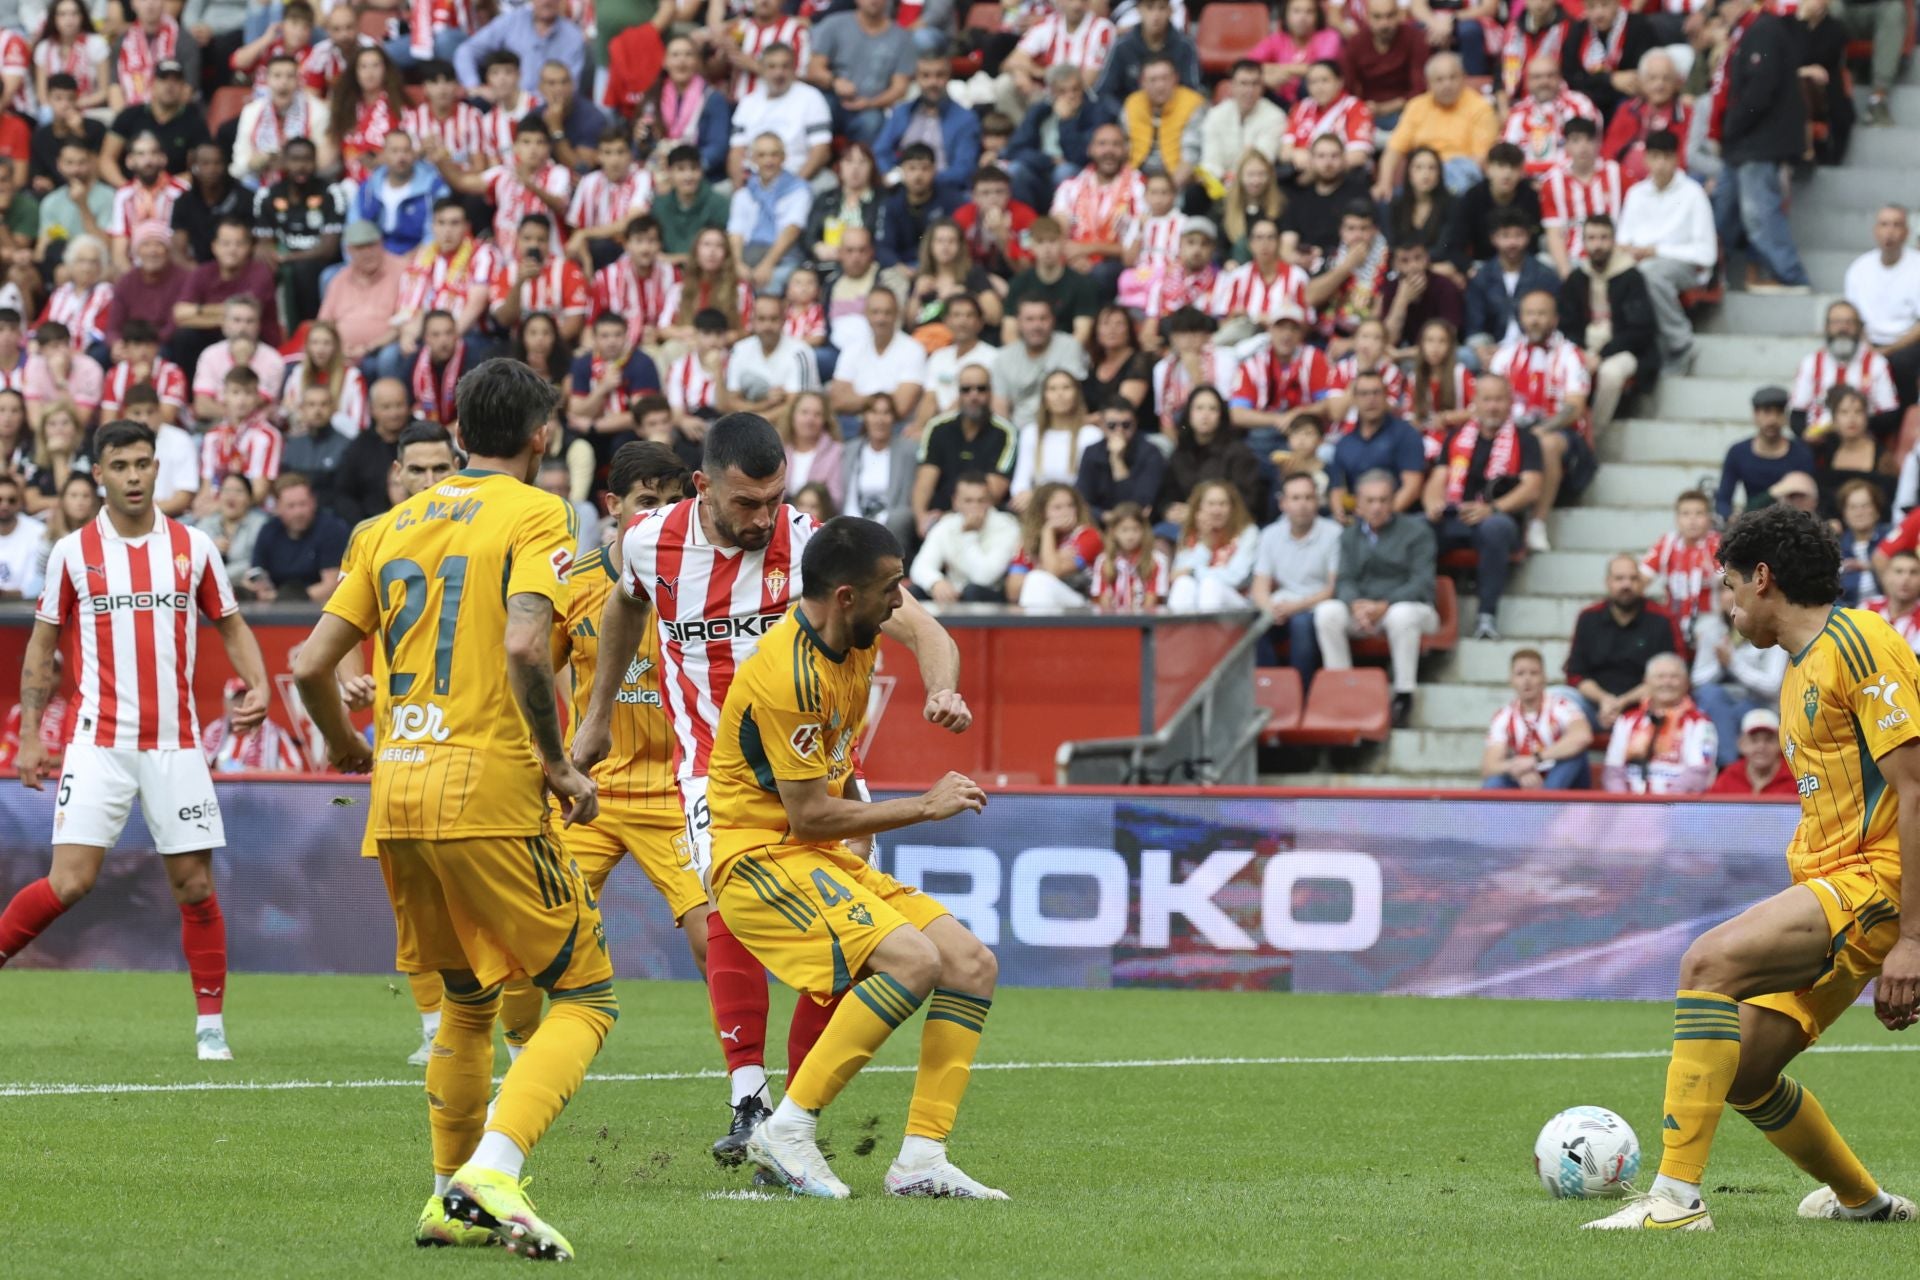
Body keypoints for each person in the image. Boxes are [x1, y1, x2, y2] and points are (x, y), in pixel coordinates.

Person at [571, 412, 970, 1173]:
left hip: (821, 769)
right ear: (703, 486)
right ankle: (750, 1096)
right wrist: (596, 717)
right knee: (729, 907)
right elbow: (623, 604)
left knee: (847, 942)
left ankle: (794, 1116)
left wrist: (941, 689)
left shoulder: (811, 545)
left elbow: (922, 627)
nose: (764, 519)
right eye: (746, 504)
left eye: (773, 500)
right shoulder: (652, 541)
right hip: (714, 773)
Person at [292, 359, 613, 1259]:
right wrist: (556, 763)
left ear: (459, 432)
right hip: (489, 789)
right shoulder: (539, 510)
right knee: (585, 995)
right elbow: (522, 642)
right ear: (542, 437)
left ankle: (444, 1196)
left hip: (397, 793)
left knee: (468, 1001)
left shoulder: (384, 527)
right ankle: (496, 1167)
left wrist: (342, 746)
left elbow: (311, 665)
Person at [1587, 502, 1920, 1230]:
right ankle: (1865, 1203)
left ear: (1763, 578)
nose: (1727, 605)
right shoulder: (1802, 670)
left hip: (1874, 883)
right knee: (1744, 1072)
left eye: (1730, 586)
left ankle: (1674, 1203)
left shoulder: (1861, 642)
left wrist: (1913, 940)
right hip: (1835, 886)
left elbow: (1916, 787)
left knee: (1708, 964)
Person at [684, 511, 997, 1199]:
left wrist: (942, 689)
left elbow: (933, 635)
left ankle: (920, 1161)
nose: (901, 601)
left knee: (971, 963)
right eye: (892, 589)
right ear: (848, 596)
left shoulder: (857, 625)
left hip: (813, 855)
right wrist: (925, 804)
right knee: (913, 960)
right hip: (760, 859)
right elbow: (811, 814)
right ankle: (786, 1129)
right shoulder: (789, 675)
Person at [2, 420, 268, 1065]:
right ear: (99, 473)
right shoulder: (70, 552)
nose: (132, 477)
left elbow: (229, 623)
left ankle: (210, 1027)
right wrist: (32, 735)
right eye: (119, 466)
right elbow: (42, 646)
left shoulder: (193, 545)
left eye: (143, 464)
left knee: (194, 886)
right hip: (98, 744)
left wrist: (259, 684)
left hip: (175, 745)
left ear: (157, 470)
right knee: (69, 883)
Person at [550, 441, 709, 984]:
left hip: (678, 794)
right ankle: (524, 1053)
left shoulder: (710, 583)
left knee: (717, 939)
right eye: (647, 501)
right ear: (612, 504)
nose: (660, 515)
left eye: (674, 501)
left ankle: (747, 1069)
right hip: (589, 789)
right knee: (540, 929)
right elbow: (525, 680)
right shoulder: (572, 583)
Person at [1313, 468, 1437, 725]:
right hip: (1365, 611)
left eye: (1383, 500)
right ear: (1358, 504)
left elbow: (1421, 583)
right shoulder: (1348, 536)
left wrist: (1385, 604)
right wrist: (1355, 605)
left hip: (1412, 608)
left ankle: (1404, 694)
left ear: (1393, 502)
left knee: (1402, 615)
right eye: (1370, 501)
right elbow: (1344, 579)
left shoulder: (1417, 531)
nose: (1377, 507)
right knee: (1327, 612)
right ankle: (1342, 688)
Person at [1424, 373, 1540, 641]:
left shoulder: (1525, 439)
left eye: (1499, 400)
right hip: (1455, 515)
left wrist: (1494, 508)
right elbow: (1438, 478)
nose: (1493, 406)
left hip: (1498, 519)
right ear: (1474, 403)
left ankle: (1486, 616)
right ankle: (1422, 607)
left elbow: (1532, 486)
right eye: (1487, 399)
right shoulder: (1455, 437)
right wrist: (1432, 503)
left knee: (1494, 529)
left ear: (1510, 403)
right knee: (1418, 528)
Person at [1710, 0, 1811, 295]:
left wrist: (1733, 125)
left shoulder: (1763, 30)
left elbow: (1761, 88)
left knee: (1758, 214)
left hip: (1760, 142)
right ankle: (1714, 273)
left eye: (1725, 4)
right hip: (1742, 144)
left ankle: (1791, 277)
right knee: (1723, 213)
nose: (1721, 12)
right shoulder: (1747, 33)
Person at [1489, 288, 1592, 549]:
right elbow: (1487, 398)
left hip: (1561, 434)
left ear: (1555, 319)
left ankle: (1537, 523)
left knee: (1544, 443)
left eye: (1542, 314)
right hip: (1511, 428)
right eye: (1530, 314)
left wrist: (1537, 432)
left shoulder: (1570, 354)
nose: (1535, 320)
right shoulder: (1504, 355)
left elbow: (1574, 407)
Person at [1614, 130, 1715, 369]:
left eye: (1666, 157)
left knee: (1650, 274)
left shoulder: (1693, 193)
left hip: (1685, 265)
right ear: (1646, 159)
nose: (1660, 164)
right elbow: (1623, 239)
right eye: (1654, 156)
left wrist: (1657, 251)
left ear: (1676, 159)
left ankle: (1680, 341)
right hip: (1639, 260)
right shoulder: (1636, 193)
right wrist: (1634, 251)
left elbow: (1706, 253)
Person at [1563, 552, 1682, 733]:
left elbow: (1674, 675)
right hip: (1594, 707)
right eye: (1619, 579)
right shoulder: (1588, 618)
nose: (1626, 585)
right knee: (1557, 697)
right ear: (1608, 582)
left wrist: (1622, 702)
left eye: (1633, 579)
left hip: (1645, 707)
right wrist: (1605, 700)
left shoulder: (1662, 620)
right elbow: (1575, 675)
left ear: (1641, 583)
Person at [1251, 471, 1340, 683]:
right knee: (1255, 619)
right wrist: (1269, 609)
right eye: (1296, 498)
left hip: (1317, 604)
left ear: (1317, 501)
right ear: (1283, 503)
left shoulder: (1334, 533)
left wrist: (1296, 607)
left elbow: (1332, 588)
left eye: (1309, 497)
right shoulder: (1270, 534)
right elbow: (1259, 586)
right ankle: (1269, 688)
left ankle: (1302, 691)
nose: (1303, 504)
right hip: (1283, 603)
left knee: (1301, 623)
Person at [1690, 581, 1788, 766]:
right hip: (1723, 706)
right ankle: (1727, 768)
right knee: (1710, 694)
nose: (1733, 597)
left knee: (1740, 707)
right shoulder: (1712, 629)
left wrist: (1733, 663)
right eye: (1727, 590)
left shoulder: (1773, 630)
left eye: (1739, 590)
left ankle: (1728, 767)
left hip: (1761, 705)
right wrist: (1721, 665)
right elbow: (1697, 680)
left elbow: (1773, 686)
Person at [1375, 52, 1498, 200]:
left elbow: (1480, 160)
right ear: (1428, 84)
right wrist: (1384, 183)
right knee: (1386, 202)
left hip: (1461, 182)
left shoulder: (1480, 108)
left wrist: (1440, 177)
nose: (1447, 84)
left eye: (1453, 77)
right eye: (1439, 80)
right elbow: (1394, 149)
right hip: (1422, 179)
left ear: (1464, 78)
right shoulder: (1416, 106)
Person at [1598, 651, 1717, 794]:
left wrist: (1662, 809)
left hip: (1677, 810)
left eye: (1674, 677)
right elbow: (1613, 772)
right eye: (1660, 677)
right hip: (1628, 810)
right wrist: (1625, 805)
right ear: (1646, 683)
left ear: (1686, 683)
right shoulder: (1627, 720)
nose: (1667, 682)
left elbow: (1697, 775)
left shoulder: (1700, 722)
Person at [806, 0, 918, 147]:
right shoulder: (834, 24)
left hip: (872, 107)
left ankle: (862, 167)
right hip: (833, 97)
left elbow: (899, 88)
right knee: (817, 107)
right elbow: (813, 69)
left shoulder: (902, 38)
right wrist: (835, 81)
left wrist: (870, 103)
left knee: (872, 122)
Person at [1842, 205, 1920, 412]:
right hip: (1866, 340)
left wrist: (1889, 350)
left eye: (1897, 225)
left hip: (1907, 343)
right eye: (1884, 224)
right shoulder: (1859, 268)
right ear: (1875, 230)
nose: (1890, 231)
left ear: (1906, 232)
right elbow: (1852, 316)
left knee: (1902, 364)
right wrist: (1868, 346)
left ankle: (1901, 419)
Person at [916, 373, 1018, 530]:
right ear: (958, 394)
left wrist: (950, 518)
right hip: (937, 515)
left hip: (985, 513)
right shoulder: (937, 427)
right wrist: (921, 517)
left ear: (991, 392)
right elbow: (924, 483)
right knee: (902, 522)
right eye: (966, 389)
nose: (974, 395)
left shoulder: (1005, 431)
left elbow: (993, 491)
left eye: (981, 389)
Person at [1482, 647, 1593, 790]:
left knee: (1575, 755)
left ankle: (1542, 805)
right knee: (1494, 782)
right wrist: (1519, 769)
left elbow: (1583, 736)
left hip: (1562, 778)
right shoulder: (1503, 715)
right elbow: (1489, 765)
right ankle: (1540, 806)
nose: (1527, 680)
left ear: (1544, 678)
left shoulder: (1562, 705)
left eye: (1533, 673)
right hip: (1524, 778)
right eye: (1520, 674)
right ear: (1511, 680)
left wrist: (1535, 760)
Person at [1792, 300, 1900, 442]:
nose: (1843, 328)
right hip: (1818, 445)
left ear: (1860, 328)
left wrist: (1852, 428)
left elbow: (1890, 414)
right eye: (1836, 322)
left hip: (1863, 443)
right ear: (1826, 327)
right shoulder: (1810, 363)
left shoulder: (1877, 363)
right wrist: (1808, 434)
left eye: (1850, 322)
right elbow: (1797, 414)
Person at [1160, 385, 1264, 528]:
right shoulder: (1180, 453)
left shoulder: (1239, 453)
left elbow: (1248, 502)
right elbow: (1168, 494)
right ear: (1189, 414)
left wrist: (1197, 514)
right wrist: (1168, 510)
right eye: (1199, 408)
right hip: (1185, 525)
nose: (1205, 415)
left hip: (1229, 527)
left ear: (1221, 415)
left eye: (1212, 409)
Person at [910, 470, 1022, 603]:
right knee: (915, 591)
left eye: (981, 501)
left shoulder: (1006, 526)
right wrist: (936, 582)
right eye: (968, 501)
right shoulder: (946, 525)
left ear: (990, 502)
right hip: (953, 591)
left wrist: (969, 534)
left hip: (991, 594)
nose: (975, 507)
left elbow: (984, 577)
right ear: (955, 502)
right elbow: (920, 567)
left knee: (972, 590)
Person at [451, 0, 591, 97]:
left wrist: (530, 102)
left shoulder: (573, 36)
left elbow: (571, 87)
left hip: (547, 108)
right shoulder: (512, 21)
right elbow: (466, 51)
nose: (546, 2)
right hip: (506, 101)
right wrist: (474, 86)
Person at [1716, 385, 1816, 521]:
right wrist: (1730, 516)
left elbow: (1807, 502)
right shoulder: (1738, 452)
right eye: (1767, 412)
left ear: (1785, 417)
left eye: (1779, 412)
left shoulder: (1801, 453)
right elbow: (1723, 500)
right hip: (1751, 522)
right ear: (1755, 415)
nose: (1773, 420)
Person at [245, 473, 348, 603]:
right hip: (272, 609)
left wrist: (283, 599)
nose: (298, 512)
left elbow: (332, 586)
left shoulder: (332, 529)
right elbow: (255, 572)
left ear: (313, 502)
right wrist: (257, 588)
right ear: (277, 507)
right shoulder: (268, 530)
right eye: (291, 506)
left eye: (303, 504)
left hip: (318, 608)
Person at [1640, 489, 1721, 643]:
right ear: (1677, 519)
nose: (1692, 520)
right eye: (1686, 514)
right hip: (1673, 619)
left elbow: (1729, 586)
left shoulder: (1717, 544)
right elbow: (1640, 580)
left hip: (1710, 621)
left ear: (1709, 518)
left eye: (1699, 513)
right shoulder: (1667, 544)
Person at [1502, 55, 1601, 178]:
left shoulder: (1579, 105)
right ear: (1527, 81)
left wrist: (1550, 181)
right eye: (1537, 77)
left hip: (1568, 179)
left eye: (1550, 75)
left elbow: (1586, 151)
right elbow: (1507, 155)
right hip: (1526, 183)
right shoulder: (1517, 113)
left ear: (1560, 78)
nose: (1544, 82)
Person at [1602, 49, 1691, 186]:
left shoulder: (1686, 113)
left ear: (1676, 83)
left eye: (1666, 78)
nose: (1659, 85)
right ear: (1642, 81)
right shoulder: (1627, 109)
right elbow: (1609, 151)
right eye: (1653, 78)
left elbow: (1684, 160)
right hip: (1624, 184)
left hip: (1668, 184)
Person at [1558, 0, 1656, 121]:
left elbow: (1635, 77)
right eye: (1592, 7)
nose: (1598, 13)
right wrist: (1610, 79)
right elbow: (1572, 77)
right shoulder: (1578, 30)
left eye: (1605, 5)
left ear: (1617, 4)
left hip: (1627, 99)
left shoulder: (1638, 26)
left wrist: (1600, 81)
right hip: (1590, 100)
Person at [355, 132, 448, 257]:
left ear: (413, 154)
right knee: (329, 274)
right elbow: (353, 231)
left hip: (419, 259)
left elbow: (434, 235)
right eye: (395, 151)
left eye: (406, 150)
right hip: (376, 260)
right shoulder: (368, 188)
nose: (401, 157)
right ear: (384, 155)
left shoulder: (434, 188)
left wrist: (407, 262)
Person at [1344, 0, 1426, 134]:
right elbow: (1347, 85)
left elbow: (1420, 89)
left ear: (1400, 15)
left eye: (1390, 16)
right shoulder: (1356, 43)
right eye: (1377, 17)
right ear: (1367, 17)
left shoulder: (1414, 38)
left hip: (1407, 110)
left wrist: (1384, 108)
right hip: (1367, 110)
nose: (1384, 23)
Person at [1076, 402, 1166, 521]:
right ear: (1102, 426)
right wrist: (1104, 516)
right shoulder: (1092, 452)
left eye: (1126, 425)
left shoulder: (1150, 453)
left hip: (1139, 526)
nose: (1119, 430)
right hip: (1099, 521)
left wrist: (1117, 460)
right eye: (1112, 425)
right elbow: (1082, 500)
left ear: (1135, 424)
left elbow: (1140, 505)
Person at [1204, 61, 1288, 186]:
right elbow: (1210, 161)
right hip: (1220, 183)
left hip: (1256, 184)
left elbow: (1262, 162)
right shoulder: (1216, 114)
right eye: (1243, 83)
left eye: (1255, 84)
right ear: (1232, 86)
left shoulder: (1275, 116)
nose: (1249, 90)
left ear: (1262, 87)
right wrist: (1224, 178)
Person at [1706, 707, 1796, 796]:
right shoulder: (1729, 776)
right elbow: (1709, 808)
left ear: (1781, 744)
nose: (1761, 747)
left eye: (1769, 740)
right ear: (1741, 744)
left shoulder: (1795, 777)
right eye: (1754, 740)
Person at [0, 470, 44, 599]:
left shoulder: (38, 532)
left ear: (20, 502)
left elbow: (35, 587)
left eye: (12, 500)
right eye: (0, 499)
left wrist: (4, 594)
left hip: (23, 611)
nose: (5, 505)